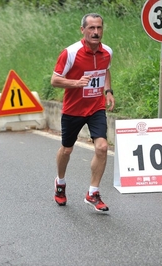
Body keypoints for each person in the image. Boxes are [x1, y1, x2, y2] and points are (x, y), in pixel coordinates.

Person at [50, 13, 115, 212]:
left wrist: (108, 91)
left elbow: (105, 71)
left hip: (96, 107)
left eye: (99, 28)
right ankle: (60, 183)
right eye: (91, 28)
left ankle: (93, 193)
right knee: (67, 150)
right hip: (73, 109)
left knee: (102, 147)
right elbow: (55, 80)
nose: (96, 32)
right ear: (83, 30)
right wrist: (75, 83)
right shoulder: (70, 53)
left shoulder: (107, 52)